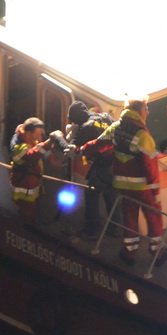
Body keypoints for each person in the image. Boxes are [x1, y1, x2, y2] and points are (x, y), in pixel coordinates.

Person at [90, 97, 167, 267]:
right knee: (153, 218)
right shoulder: (143, 135)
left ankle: (129, 252)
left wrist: (82, 149)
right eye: (146, 109)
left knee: (129, 218)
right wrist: (155, 191)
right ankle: (157, 253)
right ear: (140, 111)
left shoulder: (116, 127)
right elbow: (150, 166)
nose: (148, 112)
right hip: (142, 186)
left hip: (123, 185)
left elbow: (99, 144)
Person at [65, 101, 116, 238]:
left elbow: (73, 147)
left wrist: (66, 138)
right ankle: (116, 230)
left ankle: (92, 230)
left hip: (102, 166)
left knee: (91, 194)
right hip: (116, 164)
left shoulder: (85, 127)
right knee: (111, 196)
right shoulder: (106, 117)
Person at [10, 117, 53, 223]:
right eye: (37, 135)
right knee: (27, 214)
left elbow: (37, 147)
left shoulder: (29, 138)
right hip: (24, 189)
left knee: (32, 209)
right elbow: (31, 155)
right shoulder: (18, 147)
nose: (39, 138)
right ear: (28, 133)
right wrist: (47, 144)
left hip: (32, 187)